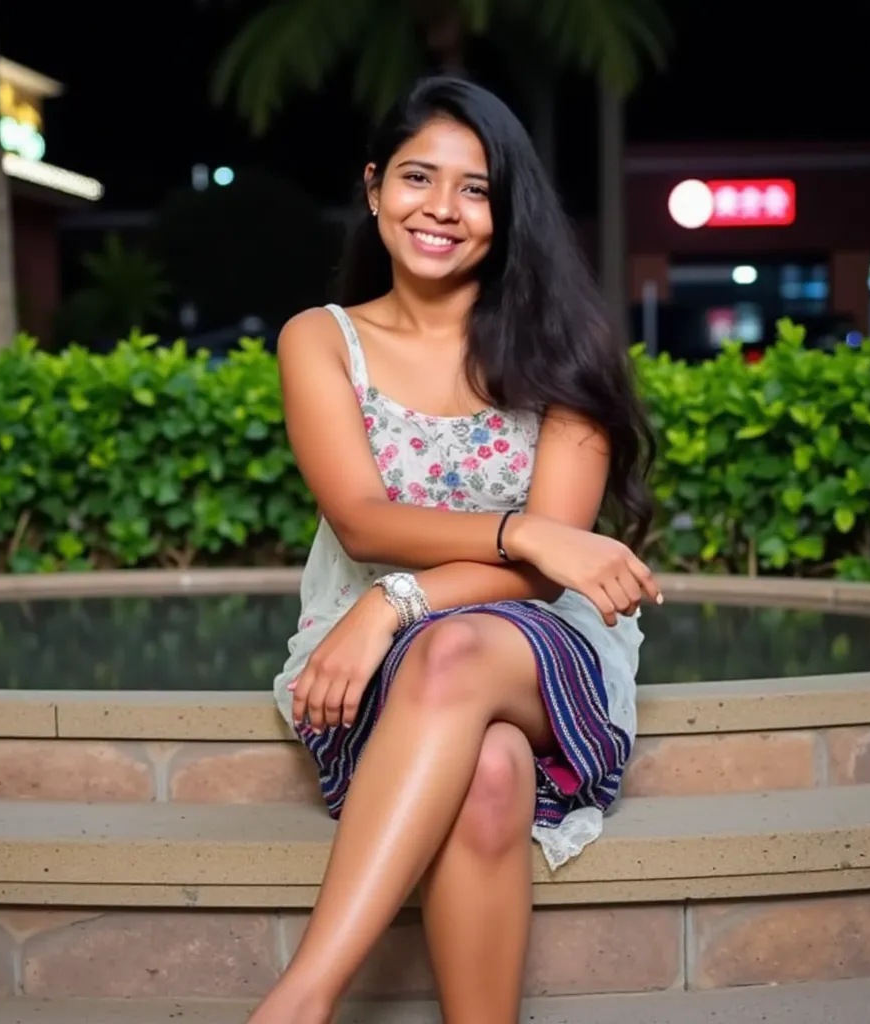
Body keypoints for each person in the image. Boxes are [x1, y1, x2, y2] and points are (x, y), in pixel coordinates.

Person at [249, 75, 661, 1024]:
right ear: (373, 189)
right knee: (489, 772)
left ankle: (300, 1002)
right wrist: (522, 529)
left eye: (475, 189)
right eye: (417, 178)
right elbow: (361, 519)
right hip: (363, 672)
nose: (441, 209)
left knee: (461, 646)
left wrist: (395, 603)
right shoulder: (322, 341)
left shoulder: (567, 349)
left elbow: (537, 578)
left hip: (535, 654)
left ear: (507, 210)